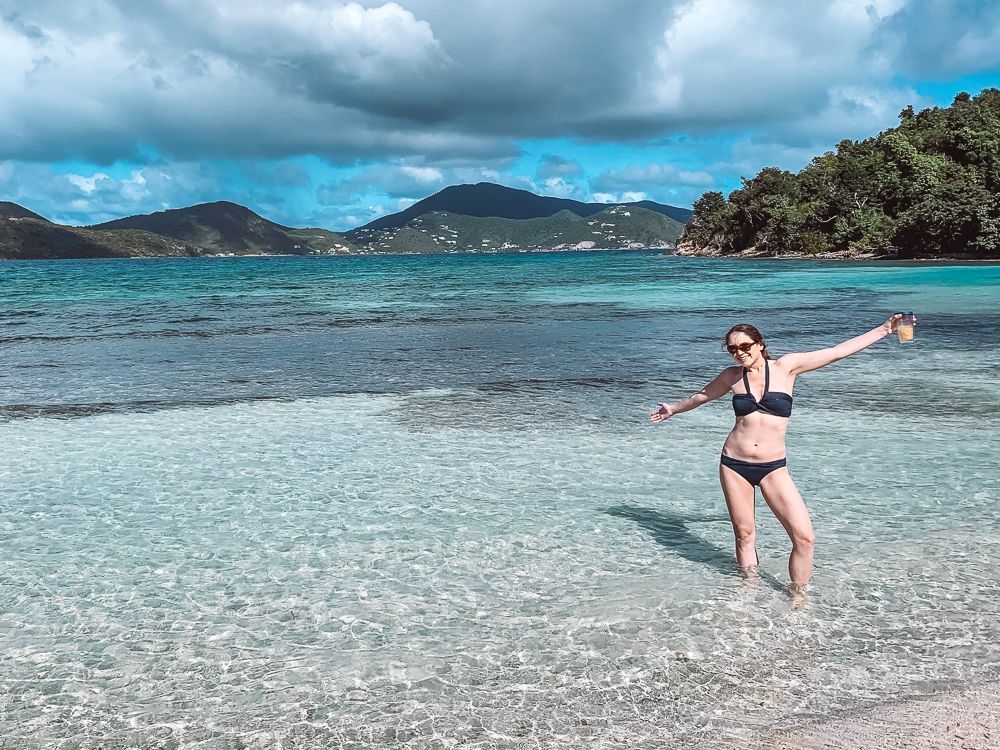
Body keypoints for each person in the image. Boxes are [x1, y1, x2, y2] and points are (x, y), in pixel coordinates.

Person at [649, 315, 910, 595]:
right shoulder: (731, 376)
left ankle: (798, 597)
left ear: (760, 344)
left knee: (804, 537)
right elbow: (702, 396)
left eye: (745, 346)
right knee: (744, 534)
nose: (740, 353)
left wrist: (884, 330)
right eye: (732, 349)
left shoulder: (787, 367)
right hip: (734, 464)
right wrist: (673, 409)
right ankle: (748, 592)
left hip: (772, 467)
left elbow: (836, 352)